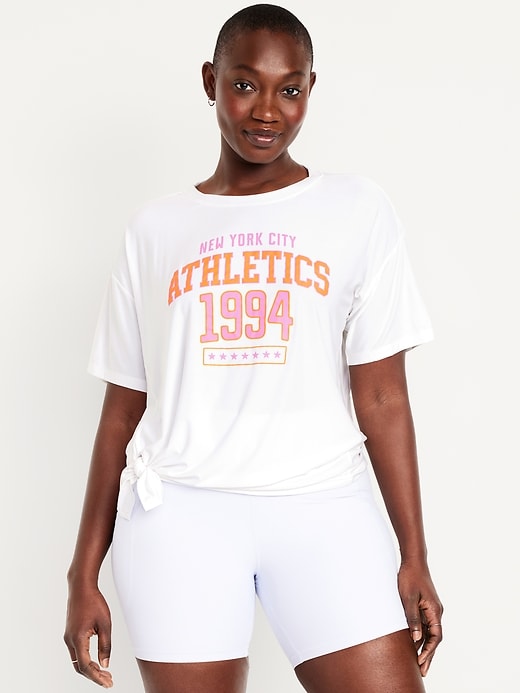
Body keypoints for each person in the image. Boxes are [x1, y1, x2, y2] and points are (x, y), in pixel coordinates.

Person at [64, 4, 443, 692]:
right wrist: (81, 574)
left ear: (309, 90)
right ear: (210, 81)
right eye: (245, 85)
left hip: (325, 508)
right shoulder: (155, 228)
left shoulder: (356, 209)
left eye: (289, 89)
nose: (267, 110)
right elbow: (122, 410)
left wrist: (413, 552)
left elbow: (384, 396)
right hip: (179, 517)